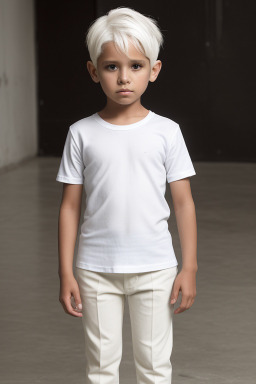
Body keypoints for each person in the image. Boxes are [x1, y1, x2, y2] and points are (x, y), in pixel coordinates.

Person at [56, 6, 198, 384]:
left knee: (153, 367)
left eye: (136, 66)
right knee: (100, 368)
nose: (123, 78)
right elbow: (70, 207)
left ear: (154, 71)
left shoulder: (167, 132)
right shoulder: (81, 133)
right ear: (93, 71)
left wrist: (189, 266)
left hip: (155, 269)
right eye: (111, 66)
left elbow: (183, 202)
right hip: (94, 270)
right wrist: (65, 271)